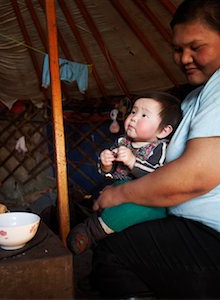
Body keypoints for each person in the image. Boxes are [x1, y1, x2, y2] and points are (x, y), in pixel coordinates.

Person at [90, 0, 220, 298]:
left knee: (116, 254)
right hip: (211, 232)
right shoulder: (201, 93)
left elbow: (194, 177)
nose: (184, 58)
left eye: (196, 47)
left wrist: (119, 193)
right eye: (178, 49)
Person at [67, 92, 182, 255]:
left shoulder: (160, 148)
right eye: (133, 112)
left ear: (163, 130)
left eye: (144, 115)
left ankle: (90, 231)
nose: (134, 118)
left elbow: (157, 178)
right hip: (120, 188)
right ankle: (99, 228)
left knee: (144, 210)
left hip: (146, 195)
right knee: (104, 196)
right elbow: (110, 174)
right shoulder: (123, 142)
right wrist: (106, 164)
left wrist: (133, 162)